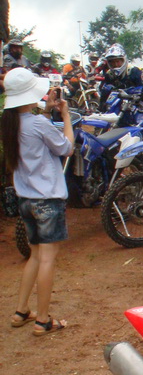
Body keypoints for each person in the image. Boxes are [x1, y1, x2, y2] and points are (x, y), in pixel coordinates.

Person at [1, 68, 74, 335]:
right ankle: (43, 319)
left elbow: (31, 129)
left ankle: (21, 311)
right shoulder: (38, 124)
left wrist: (47, 111)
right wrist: (66, 117)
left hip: (26, 199)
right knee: (47, 260)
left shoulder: (10, 124)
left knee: (35, 255)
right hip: (47, 200)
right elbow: (67, 148)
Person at [99, 43, 143, 108]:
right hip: (118, 106)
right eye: (112, 62)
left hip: (136, 105)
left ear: (124, 60)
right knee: (106, 88)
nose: (116, 64)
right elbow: (103, 96)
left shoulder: (133, 71)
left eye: (118, 61)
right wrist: (102, 107)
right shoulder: (109, 75)